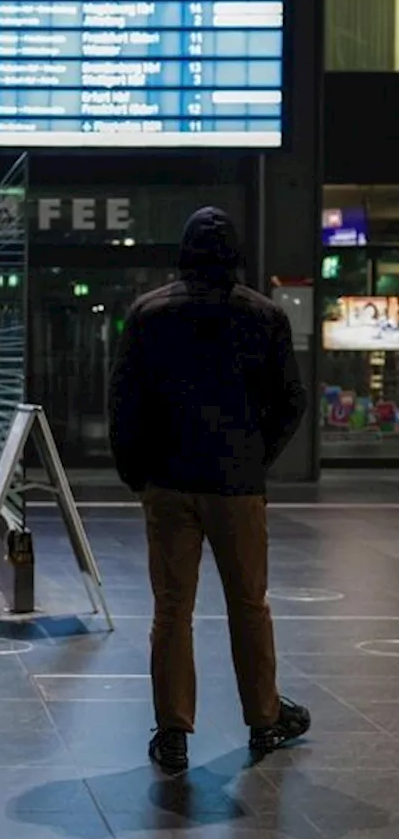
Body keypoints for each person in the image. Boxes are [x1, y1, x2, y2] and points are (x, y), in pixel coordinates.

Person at [108, 206, 311, 774]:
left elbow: (125, 402)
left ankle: (173, 732)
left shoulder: (149, 314)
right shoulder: (264, 316)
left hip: (169, 482)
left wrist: (136, 471)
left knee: (172, 609)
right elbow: (291, 400)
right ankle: (264, 720)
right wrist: (255, 456)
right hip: (236, 485)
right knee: (249, 605)